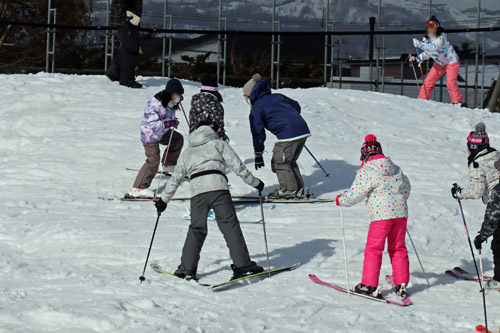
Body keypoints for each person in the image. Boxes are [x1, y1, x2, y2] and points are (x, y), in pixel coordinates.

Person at [154, 121, 265, 281]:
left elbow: (176, 178)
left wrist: (163, 200)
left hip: (197, 192)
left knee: (196, 229)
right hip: (218, 188)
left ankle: (186, 269)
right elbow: (238, 166)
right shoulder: (218, 144)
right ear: (212, 130)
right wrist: (255, 183)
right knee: (229, 226)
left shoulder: (188, 152)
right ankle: (243, 266)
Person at [336, 135, 411, 298]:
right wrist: (399, 201)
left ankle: (369, 285)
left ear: (365, 155)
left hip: (381, 216)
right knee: (398, 248)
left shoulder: (367, 170)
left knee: (374, 249)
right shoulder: (396, 168)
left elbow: (356, 193)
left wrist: (342, 200)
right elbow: (406, 188)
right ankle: (401, 283)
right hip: (400, 214)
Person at [243, 73, 311, 199]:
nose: (246, 99)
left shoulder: (257, 108)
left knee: (280, 162)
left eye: (246, 96)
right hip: (302, 129)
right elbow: (296, 106)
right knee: (289, 161)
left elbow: (257, 132)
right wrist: (290, 118)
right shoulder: (278, 97)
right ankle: (298, 189)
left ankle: (289, 190)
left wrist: (258, 153)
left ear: (251, 94)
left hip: (289, 134)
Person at [451, 123, 500, 289]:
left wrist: (460, 193)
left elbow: (478, 191)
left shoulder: (477, 163)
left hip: (497, 200)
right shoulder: (495, 154)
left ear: (472, 147)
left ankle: (499, 280)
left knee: (498, 244)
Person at [128, 79, 185, 198]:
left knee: (177, 139)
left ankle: (168, 164)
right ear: (170, 93)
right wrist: (167, 124)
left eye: (180, 95)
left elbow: (166, 118)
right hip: (150, 135)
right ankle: (138, 187)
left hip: (162, 133)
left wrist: (171, 122)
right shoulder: (156, 105)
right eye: (177, 95)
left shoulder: (170, 103)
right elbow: (151, 125)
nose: (178, 97)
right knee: (153, 161)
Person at [411, 16, 463, 104]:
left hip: (451, 62)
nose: (432, 27)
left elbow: (434, 48)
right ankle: (422, 100)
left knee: (450, 83)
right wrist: (418, 58)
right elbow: (428, 52)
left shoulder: (440, 37)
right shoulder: (427, 40)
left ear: (437, 26)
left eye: (434, 25)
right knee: (428, 82)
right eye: (429, 25)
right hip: (440, 63)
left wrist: (420, 44)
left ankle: (457, 102)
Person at [107, 0, 143, 89]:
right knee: (131, 49)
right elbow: (121, 3)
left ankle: (115, 71)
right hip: (126, 21)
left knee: (130, 48)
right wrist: (125, 16)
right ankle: (126, 79)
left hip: (127, 20)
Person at [189, 75, 226, 140]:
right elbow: (218, 126)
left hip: (194, 140)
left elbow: (192, 124)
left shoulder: (195, 102)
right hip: (210, 141)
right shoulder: (215, 104)